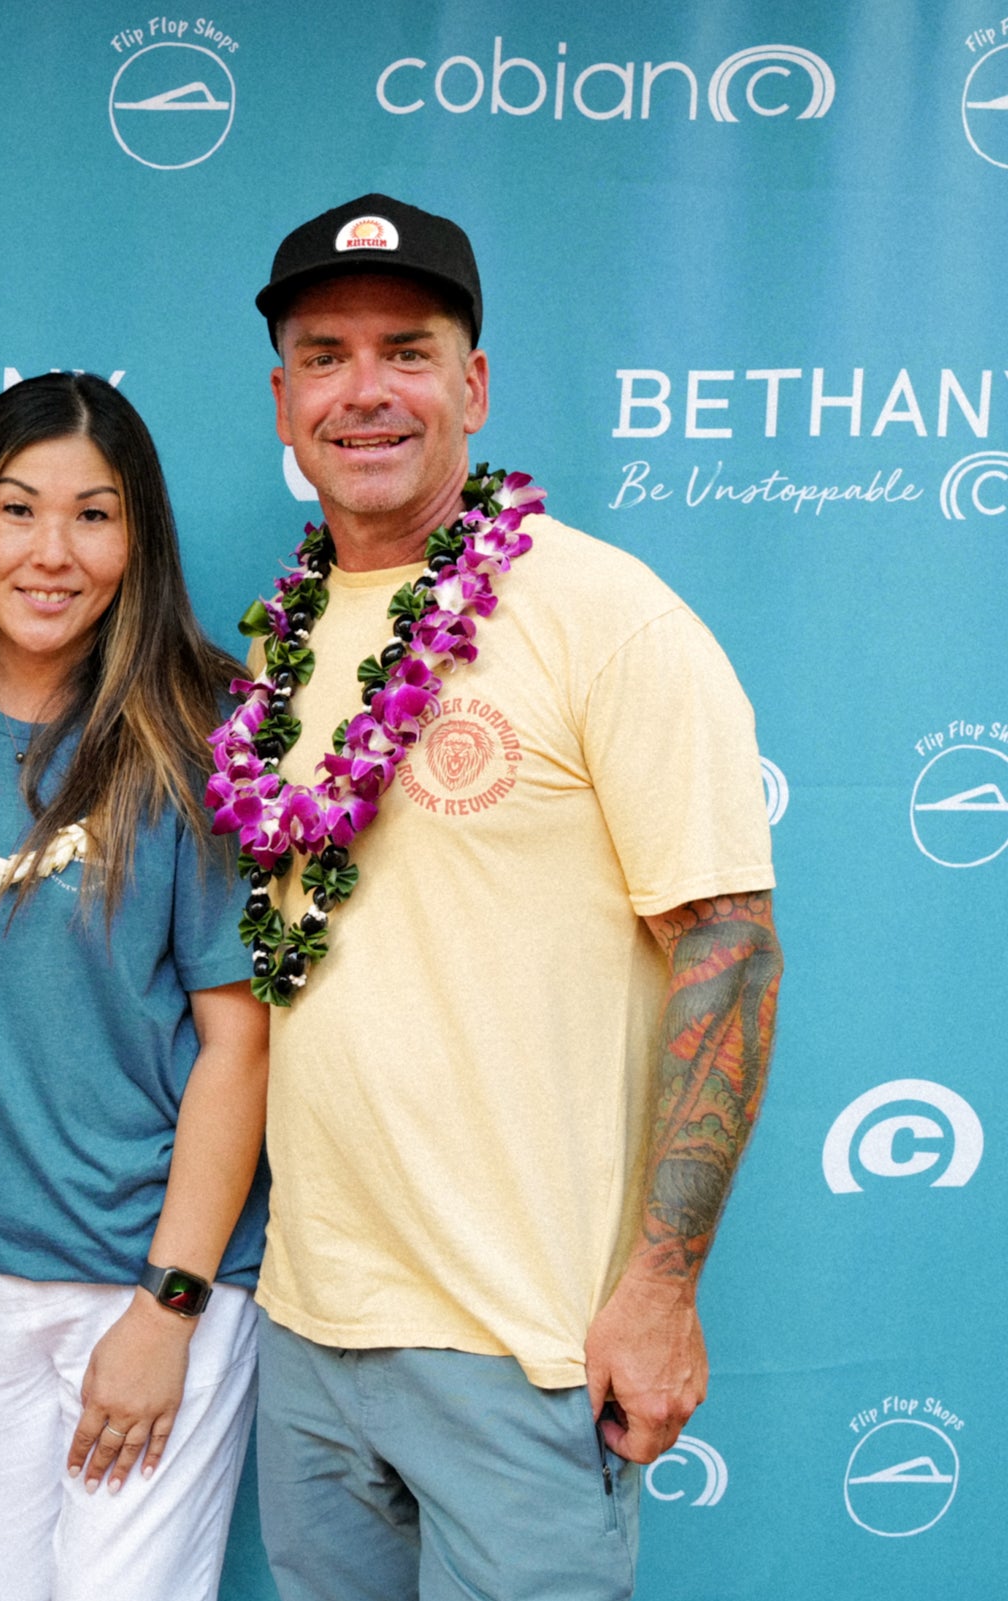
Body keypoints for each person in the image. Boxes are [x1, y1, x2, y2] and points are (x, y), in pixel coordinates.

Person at [226, 194, 783, 1600]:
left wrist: (661, 1288)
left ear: (472, 384)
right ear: (284, 400)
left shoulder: (605, 613)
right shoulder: (277, 640)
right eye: (326, 353)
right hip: (305, 1328)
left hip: (521, 1348)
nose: (366, 390)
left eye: (407, 350)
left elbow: (728, 948)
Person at [0, 373, 271, 1600]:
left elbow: (239, 1045)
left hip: (155, 1276)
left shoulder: (198, 734)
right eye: (17, 509)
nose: (51, 552)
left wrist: (168, 1310)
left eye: (94, 515)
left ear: (139, 538)